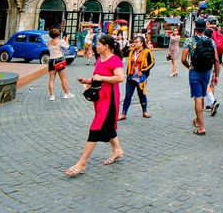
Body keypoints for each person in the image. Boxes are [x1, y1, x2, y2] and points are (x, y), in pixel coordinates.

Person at [66, 35, 125, 176]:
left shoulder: (115, 60)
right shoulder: (99, 59)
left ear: (106, 46)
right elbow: (96, 76)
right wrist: (88, 81)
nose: (96, 46)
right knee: (108, 125)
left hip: (109, 99)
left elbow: (120, 77)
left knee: (96, 126)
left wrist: (102, 78)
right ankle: (117, 150)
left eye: (98, 44)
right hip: (100, 98)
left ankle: (82, 162)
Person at [182, 18, 220, 135]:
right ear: (205, 29)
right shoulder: (210, 41)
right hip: (207, 72)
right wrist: (216, 75)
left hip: (195, 71)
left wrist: (189, 66)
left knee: (197, 97)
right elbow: (216, 60)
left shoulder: (189, 41)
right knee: (202, 96)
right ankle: (198, 120)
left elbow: (183, 59)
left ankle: (202, 126)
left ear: (195, 29)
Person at [119, 35, 154, 120]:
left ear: (142, 43)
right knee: (128, 94)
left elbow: (152, 63)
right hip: (131, 76)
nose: (134, 44)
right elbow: (121, 54)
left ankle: (144, 110)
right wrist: (128, 46)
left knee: (141, 94)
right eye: (134, 42)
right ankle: (124, 113)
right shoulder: (131, 51)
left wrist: (143, 71)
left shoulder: (146, 51)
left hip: (140, 76)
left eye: (136, 42)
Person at [47, 28, 74, 101]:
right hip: (59, 59)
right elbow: (66, 47)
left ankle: (52, 95)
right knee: (63, 78)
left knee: (51, 79)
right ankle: (67, 93)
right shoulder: (60, 41)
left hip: (51, 60)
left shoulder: (49, 43)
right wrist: (66, 39)